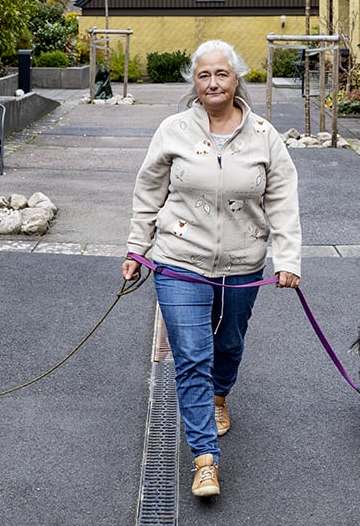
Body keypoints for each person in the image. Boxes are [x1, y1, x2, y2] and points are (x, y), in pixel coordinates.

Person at [121, 39, 302, 498]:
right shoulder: (173, 130)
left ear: (237, 78)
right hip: (179, 259)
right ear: (194, 83)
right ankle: (205, 460)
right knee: (192, 355)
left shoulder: (264, 135)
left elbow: (282, 201)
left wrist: (289, 259)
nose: (213, 83)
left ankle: (220, 396)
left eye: (221, 74)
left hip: (245, 263)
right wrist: (136, 250)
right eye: (204, 75)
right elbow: (148, 194)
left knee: (229, 343)